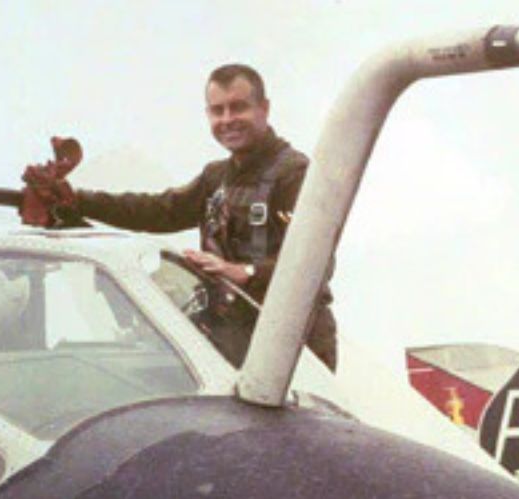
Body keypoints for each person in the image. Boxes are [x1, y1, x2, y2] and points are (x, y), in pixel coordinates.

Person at [71, 63, 337, 371]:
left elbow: (317, 264)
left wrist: (244, 272)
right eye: (217, 111)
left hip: (294, 343)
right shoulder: (215, 178)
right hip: (231, 338)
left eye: (238, 108)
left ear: (264, 108)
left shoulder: (295, 174)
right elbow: (157, 211)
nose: (227, 120)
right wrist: (77, 201)